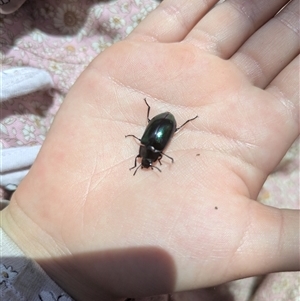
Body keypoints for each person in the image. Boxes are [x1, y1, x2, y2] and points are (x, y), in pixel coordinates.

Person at [1, 0, 299, 300]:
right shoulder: (150, 148)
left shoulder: (148, 147)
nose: (147, 161)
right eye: (148, 161)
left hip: (162, 124)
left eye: (147, 160)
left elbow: (159, 130)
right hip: (161, 125)